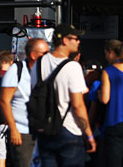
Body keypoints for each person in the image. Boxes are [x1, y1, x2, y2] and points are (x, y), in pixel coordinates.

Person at [31, 24, 96, 167]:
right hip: (69, 130)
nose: (78, 41)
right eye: (76, 38)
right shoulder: (73, 67)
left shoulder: (39, 63)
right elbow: (78, 106)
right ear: (65, 40)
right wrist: (89, 135)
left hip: (45, 130)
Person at [0, 37, 49, 167]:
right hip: (22, 132)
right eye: (45, 54)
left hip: (42, 131)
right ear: (33, 55)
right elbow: (4, 101)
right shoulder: (17, 70)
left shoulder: (46, 72)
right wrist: (14, 129)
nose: (48, 57)